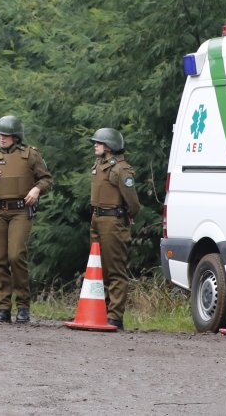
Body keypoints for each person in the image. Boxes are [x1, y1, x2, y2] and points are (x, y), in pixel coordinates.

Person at [0, 115, 52, 323]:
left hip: (20, 211)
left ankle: (23, 306)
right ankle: (3, 308)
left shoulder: (30, 155)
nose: (1, 138)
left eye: (6, 135)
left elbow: (46, 179)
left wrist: (36, 189)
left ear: (16, 137)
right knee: (0, 259)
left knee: (16, 256)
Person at [87, 127, 140, 330]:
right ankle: (101, 310)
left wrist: (128, 216)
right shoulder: (99, 166)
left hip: (112, 221)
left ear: (110, 146)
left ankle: (114, 316)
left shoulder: (120, 169)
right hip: (97, 219)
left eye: (99, 143)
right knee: (97, 267)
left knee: (114, 268)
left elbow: (133, 202)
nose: (95, 145)